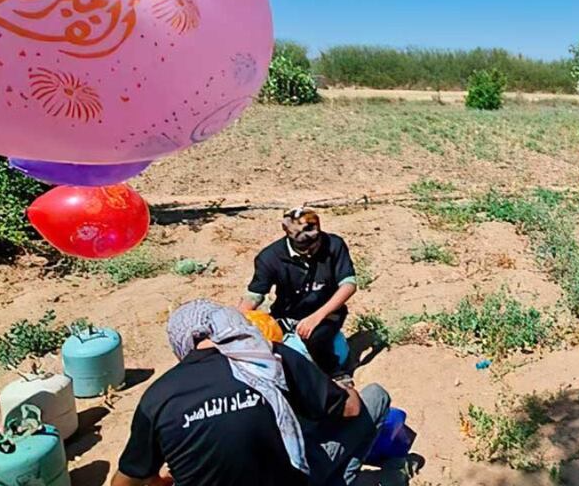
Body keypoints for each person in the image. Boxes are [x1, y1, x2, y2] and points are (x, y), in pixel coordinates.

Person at [112, 300, 390, 486]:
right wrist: (335, 385)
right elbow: (351, 408)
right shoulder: (270, 356)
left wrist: (160, 480)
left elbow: (125, 480)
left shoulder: (159, 395)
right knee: (375, 397)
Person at [239, 207, 357, 376]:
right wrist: (236, 321)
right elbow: (255, 295)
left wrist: (316, 317)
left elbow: (348, 284)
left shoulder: (334, 245)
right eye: (303, 247)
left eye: (314, 245)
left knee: (316, 340)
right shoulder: (270, 257)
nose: (310, 251)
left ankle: (337, 376)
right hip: (286, 317)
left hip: (327, 314)